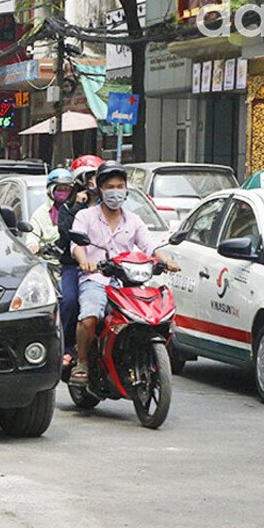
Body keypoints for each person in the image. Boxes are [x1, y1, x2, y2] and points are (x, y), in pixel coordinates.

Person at [68, 161, 179, 386]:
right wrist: (85, 261)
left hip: (128, 284)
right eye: (110, 186)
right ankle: (81, 362)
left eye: (120, 186)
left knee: (154, 317)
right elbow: (76, 245)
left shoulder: (134, 220)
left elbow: (150, 246)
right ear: (100, 189)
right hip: (96, 279)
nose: (116, 191)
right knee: (90, 318)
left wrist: (166, 260)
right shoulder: (86, 217)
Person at [56, 171, 93, 366]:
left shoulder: (111, 211)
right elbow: (68, 234)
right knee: (70, 302)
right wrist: (78, 206)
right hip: (74, 267)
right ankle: (67, 346)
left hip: (105, 269)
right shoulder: (68, 209)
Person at [26, 168, 74, 259]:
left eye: (66, 189)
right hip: (49, 262)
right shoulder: (41, 213)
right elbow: (32, 234)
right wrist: (33, 244)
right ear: (50, 190)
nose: (63, 192)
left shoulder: (77, 210)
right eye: (59, 189)